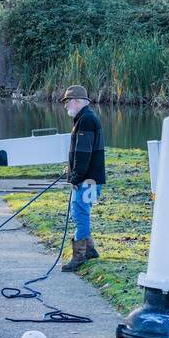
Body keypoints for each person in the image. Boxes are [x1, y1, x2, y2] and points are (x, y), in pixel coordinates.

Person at [61, 84, 106, 272]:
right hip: (91, 178)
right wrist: (70, 168)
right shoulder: (86, 118)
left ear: (77, 101)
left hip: (87, 180)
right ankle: (90, 250)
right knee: (82, 213)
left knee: (79, 213)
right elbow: (81, 153)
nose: (66, 106)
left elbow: (83, 153)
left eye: (68, 102)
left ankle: (79, 257)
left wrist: (75, 177)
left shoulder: (85, 120)